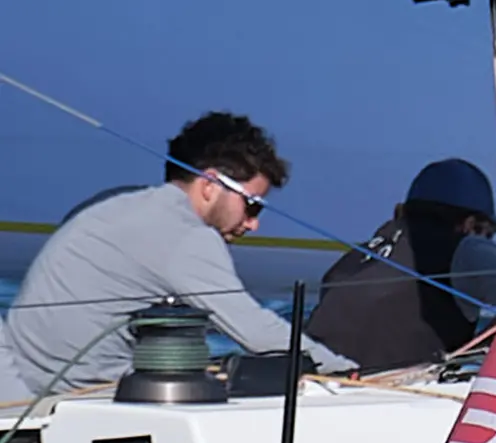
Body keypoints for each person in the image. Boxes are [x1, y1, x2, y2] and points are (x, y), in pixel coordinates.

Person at [1, 113, 358, 397]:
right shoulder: (183, 234)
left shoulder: (118, 203)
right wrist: (347, 372)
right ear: (209, 185)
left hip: (25, 390)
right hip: (75, 400)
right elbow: (257, 332)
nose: (252, 224)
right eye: (252, 205)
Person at [306, 156, 496, 371]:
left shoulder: (354, 258)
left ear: (401, 211)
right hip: (393, 392)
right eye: (488, 234)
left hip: (316, 384)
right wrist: (470, 355)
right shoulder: (470, 249)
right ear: (470, 225)